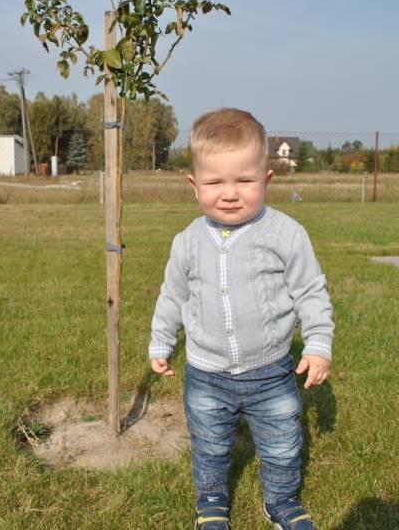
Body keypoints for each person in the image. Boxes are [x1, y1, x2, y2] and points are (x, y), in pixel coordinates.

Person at [148, 108, 334, 529]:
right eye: (215, 182)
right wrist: (161, 342)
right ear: (194, 185)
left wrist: (318, 343)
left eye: (244, 181)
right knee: (210, 444)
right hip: (207, 372)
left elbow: (310, 291)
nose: (230, 193)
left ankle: (282, 501)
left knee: (283, 443)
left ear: (266, 179)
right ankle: (212, 500)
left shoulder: (285, 234)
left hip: (271, 372)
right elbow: (173, 295)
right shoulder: (188, 242)